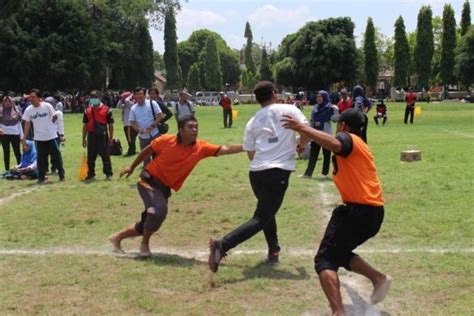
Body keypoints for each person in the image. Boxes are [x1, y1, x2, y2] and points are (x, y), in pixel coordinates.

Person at [282, 108, 391, 316]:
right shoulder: (361, 145)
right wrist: (304, 140)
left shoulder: (347, 139)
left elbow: (335, 144)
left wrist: (301, 128)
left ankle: (338, 312)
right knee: (338, 253)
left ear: (343, 126)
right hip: (372, 213)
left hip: (360, 211)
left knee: (324, 260)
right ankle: (378, 278)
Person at [208, 81, 309, 272]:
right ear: (274, 93)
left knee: (266, 212)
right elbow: (306, 131)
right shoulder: (288, 109)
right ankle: (223, 245)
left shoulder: (253, 121)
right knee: (261, 217)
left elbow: (251, 153)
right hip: (277, 172)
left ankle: (274, 250)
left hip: (256, 173)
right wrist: (301, 146)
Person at [108, 115, 243, 257]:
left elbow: (225, 148)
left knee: (150, 221)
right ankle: (144, 245)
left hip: (164, 188)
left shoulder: (201, 147)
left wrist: (246, 146)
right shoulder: (166, 140)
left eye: (196, 127)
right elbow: (147, 150)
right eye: (190, 127)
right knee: (157, 212)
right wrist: (132, 166)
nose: (194, 130)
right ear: (180, 130)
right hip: (148, 181)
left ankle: (116, 238)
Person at [22, 89, 65, 184]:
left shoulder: (47, 106)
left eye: (33, 97)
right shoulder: (29, 110)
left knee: (56, 157)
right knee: (41, 160)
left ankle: (61, 175)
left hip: (51, 137)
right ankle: (41, 178)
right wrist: (24, 138)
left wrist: (52, 125)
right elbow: (27, 124)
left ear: (39, 98)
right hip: (38, 138)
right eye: (30, 97)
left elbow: (55, 116)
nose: (31, 99)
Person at [301, 91, 338, 179]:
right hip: (315, 135)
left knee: (326, 155)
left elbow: (334, 119)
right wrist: (310, 132)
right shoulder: (315, 108)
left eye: (320, 97)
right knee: (313, 155)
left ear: (325, 97)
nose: (318, 99)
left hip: (326, 135)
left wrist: (336, 110)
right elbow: (312, 120)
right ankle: (308, 173)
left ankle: (324, 174)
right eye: (317, 97)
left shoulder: (330, 108)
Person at [82, 90, 114, 181]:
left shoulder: (106, 109)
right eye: (91, 97)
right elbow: (85, 125)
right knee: (91, 155)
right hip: (91, 135)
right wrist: (83, 138)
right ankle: (91, 173)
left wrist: (111, 138)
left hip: (102, 135)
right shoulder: (87, 110)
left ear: (100, 98)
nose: (93, 99)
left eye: (95, 97)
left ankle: (108, 173)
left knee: (105, 155)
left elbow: (110, 125)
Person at [129, 87, 163, 167]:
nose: (139, 96)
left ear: (144, 95)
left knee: (158, 156)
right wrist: (138, 129)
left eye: (141, 94)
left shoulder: (152, 103)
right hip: (143, 137)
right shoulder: (133, 108)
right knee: (145, 158)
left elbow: (160, 115)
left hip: (155, 134)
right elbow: (132, 122)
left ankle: (159, 175)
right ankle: (147, 176)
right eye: (137, 94)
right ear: (134, 96)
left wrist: (153, 125)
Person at [0, 96, 23, 172]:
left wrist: (22, 136)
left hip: (15, 134)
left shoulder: (16, 110)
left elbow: (20, 124)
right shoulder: (1, 110)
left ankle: (20, 168)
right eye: (6, 101)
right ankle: (7, 170)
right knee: (6, 152)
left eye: (9, 101)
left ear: (12, 102)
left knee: (17, 152)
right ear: (3, 102)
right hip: (4, 135)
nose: (7, 103)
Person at [117, 92, 137, 156]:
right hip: (126, 123)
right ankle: (132, 150)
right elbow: (118, 106)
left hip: (130, 124)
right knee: (129, 138)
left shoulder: (133, 103)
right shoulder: (125, 104)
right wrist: (121, 100)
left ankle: (131, 151)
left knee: (130, 138)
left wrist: (129, 96)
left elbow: (126, 100)